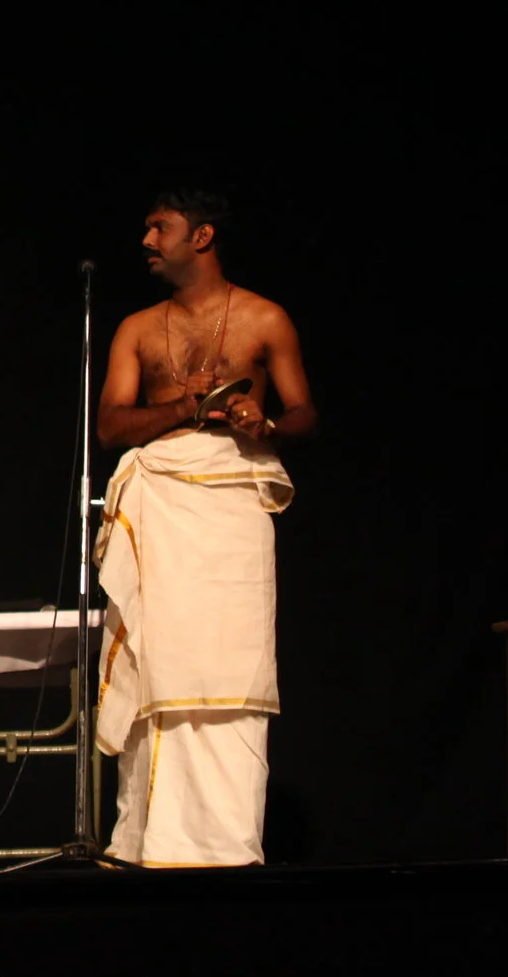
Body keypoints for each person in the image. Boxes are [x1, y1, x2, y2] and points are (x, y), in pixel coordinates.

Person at [94, 189, 318, 866]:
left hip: (231, 507)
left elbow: (305, 410)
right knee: (159, 666)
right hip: (161, 501)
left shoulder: (264, 317)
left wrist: (266, 422)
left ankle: (224, 846)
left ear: (202, 235)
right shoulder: (136, 327)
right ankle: (148, 846)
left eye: (158, 227)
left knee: (230, 665)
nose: (146, 239)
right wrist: (185, 408)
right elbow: (110, 425)